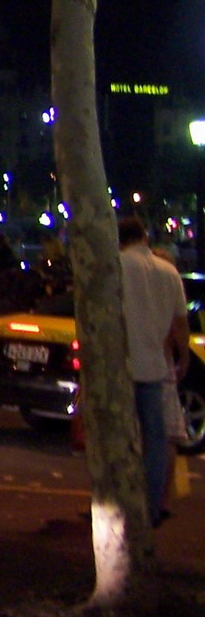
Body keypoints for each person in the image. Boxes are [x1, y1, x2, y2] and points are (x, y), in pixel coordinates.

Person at [118, 216, 189, 528]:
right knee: (156, 440)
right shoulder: (169, 272)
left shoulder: (116, 266)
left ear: (120, 240)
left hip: (120, 367)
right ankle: (151, 506)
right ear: (144, 237)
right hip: (155, 368)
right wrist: (183, 356)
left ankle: (119, 501)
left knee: (121, 438)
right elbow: (181, 322)